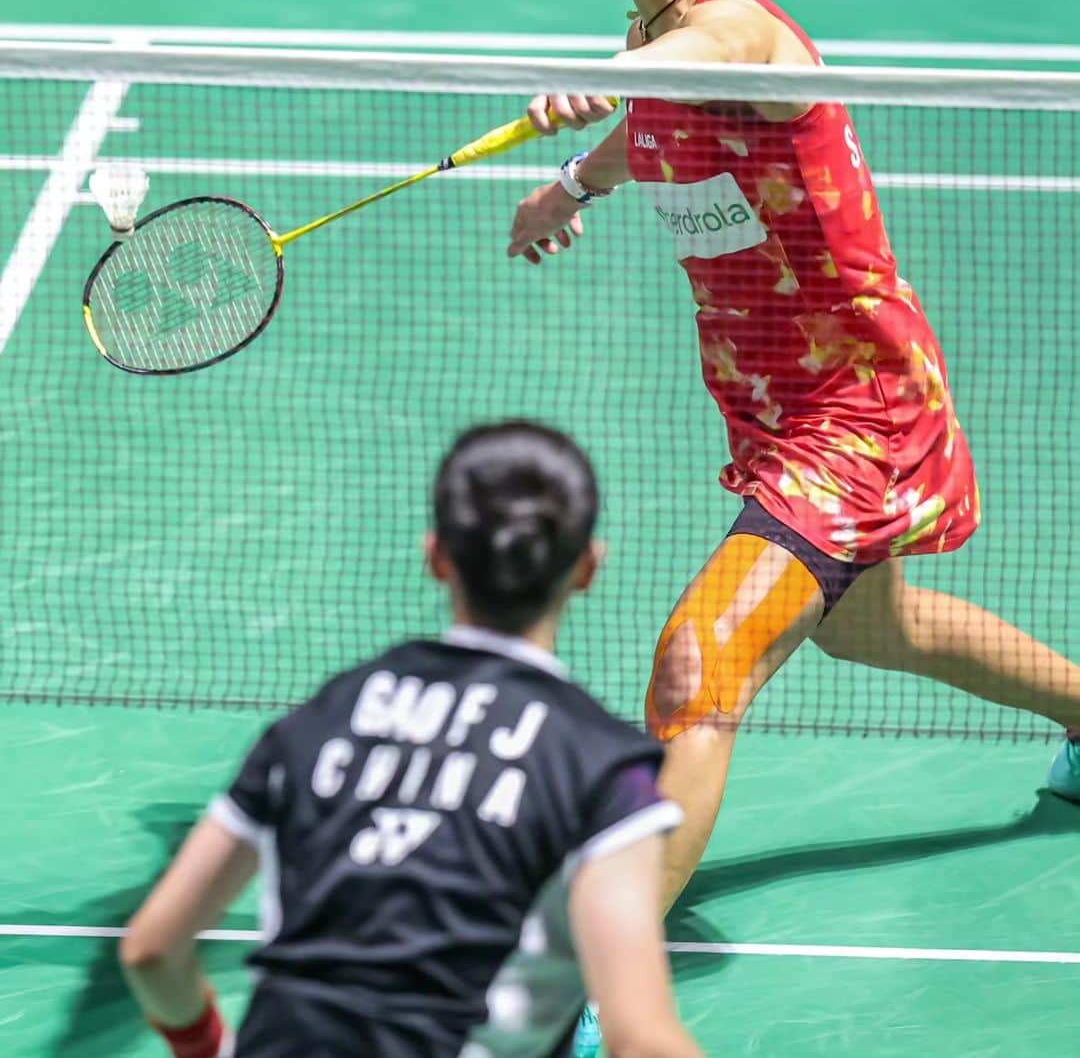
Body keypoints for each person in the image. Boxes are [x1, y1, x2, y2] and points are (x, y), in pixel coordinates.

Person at [505, 0, 1080, 1050]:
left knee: (697, 666)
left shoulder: (740, 32)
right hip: (776, 408)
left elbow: (695, 70)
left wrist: (592, 84)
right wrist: (567, 183)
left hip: (858, 410)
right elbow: (646, 124)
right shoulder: (655, 45)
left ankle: (607, 990)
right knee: (876, 625)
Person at [120, 421, 702, 1058]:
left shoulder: (318, 722)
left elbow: (152, 951)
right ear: (589, 567)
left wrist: (205, 1047)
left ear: (436, 556)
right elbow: (643, 1041)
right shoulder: (596, 767)